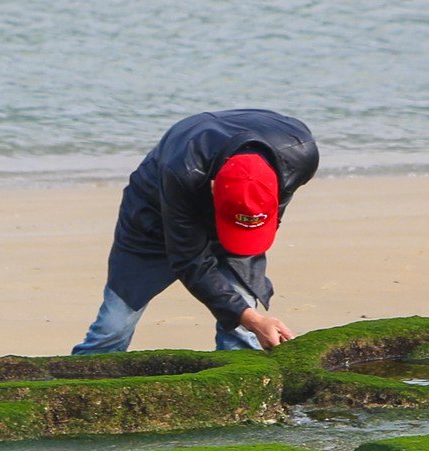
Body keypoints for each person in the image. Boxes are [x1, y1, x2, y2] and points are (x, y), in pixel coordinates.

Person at [71, 109, 319, 354]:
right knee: (113, 327)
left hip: (245, 206)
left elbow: (276, 210)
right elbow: (189, 261)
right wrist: (254, 320)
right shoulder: (182, 170)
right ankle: (78, 380)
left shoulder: (300, 154)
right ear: (211, 187)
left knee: (241, 328)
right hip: (154, 214)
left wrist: (247, 318)